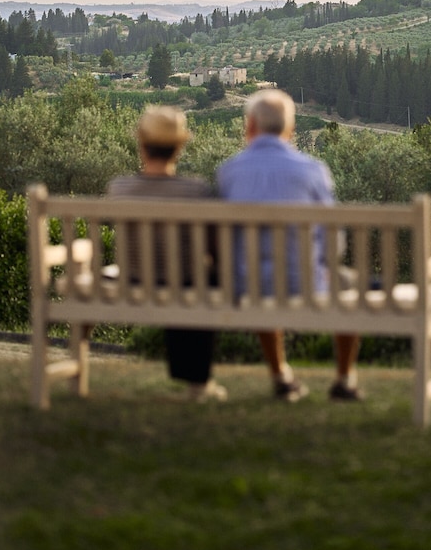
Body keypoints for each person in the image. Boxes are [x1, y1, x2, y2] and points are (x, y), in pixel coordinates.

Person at [216, 89, 361, 402]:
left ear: (250, 126)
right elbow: (334, 242)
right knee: (350, 282)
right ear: (289, 130)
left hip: (246, 285)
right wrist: (320, 265)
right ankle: (345, 379)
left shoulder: (228, 171)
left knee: (259, 271)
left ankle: (280, 374)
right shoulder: (313, 171)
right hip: (303, 282)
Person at [107, 105, 226, 402]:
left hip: (132, 280)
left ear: (142, 144)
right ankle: (198, 381)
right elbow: (215, 247)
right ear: (179, 147)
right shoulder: (195, 191)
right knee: (205, 276)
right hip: (185, 284)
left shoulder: (118, 189)